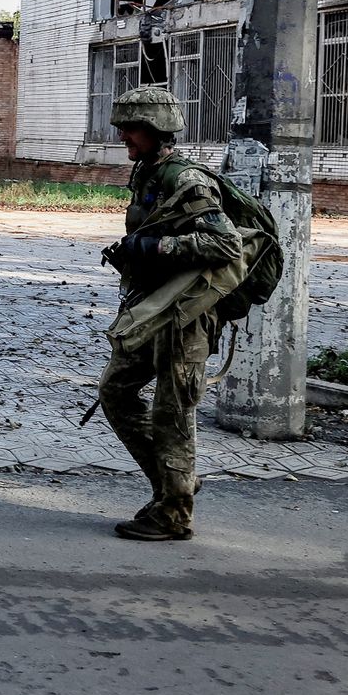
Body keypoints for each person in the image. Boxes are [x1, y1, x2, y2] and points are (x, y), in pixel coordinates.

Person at [99, 86, 244, 541]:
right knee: (116, 392)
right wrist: (135, 254)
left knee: (173, 411)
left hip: (187, 316)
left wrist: (155, 247)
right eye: (122, 128)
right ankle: (172, 483)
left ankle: (175, 514)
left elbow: (225, 243)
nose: (124, 137)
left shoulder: (188, 179)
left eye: (131, 129)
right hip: (154, 309)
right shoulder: (148, 172)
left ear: (157, 130)